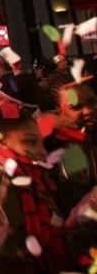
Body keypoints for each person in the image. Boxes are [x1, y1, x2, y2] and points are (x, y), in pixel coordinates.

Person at [0, 107, 66, 273]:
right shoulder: (2, 181)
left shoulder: (13, 173)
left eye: (41, 142)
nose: (41, 151)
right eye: (30, 142)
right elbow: (6, 253)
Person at [45, 80, 97, 217]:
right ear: (59, 109)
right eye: (76, 107)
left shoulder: (88, 133)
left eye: (92, 102)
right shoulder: (58, 148)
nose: (89, 110)